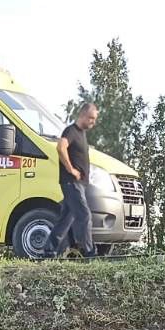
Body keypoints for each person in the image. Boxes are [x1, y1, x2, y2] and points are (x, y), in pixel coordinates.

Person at [45, 102, 100, 259]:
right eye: (91, 118)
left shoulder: (81, 134)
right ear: (82, 115)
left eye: (94, 119)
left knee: (65, 220)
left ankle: (49, 250)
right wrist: (71, 169)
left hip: (79, 184)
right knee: (84, 216)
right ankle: (90, 252)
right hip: (71, 183)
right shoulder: (71, 131)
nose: (93, 122)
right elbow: (61, 147)